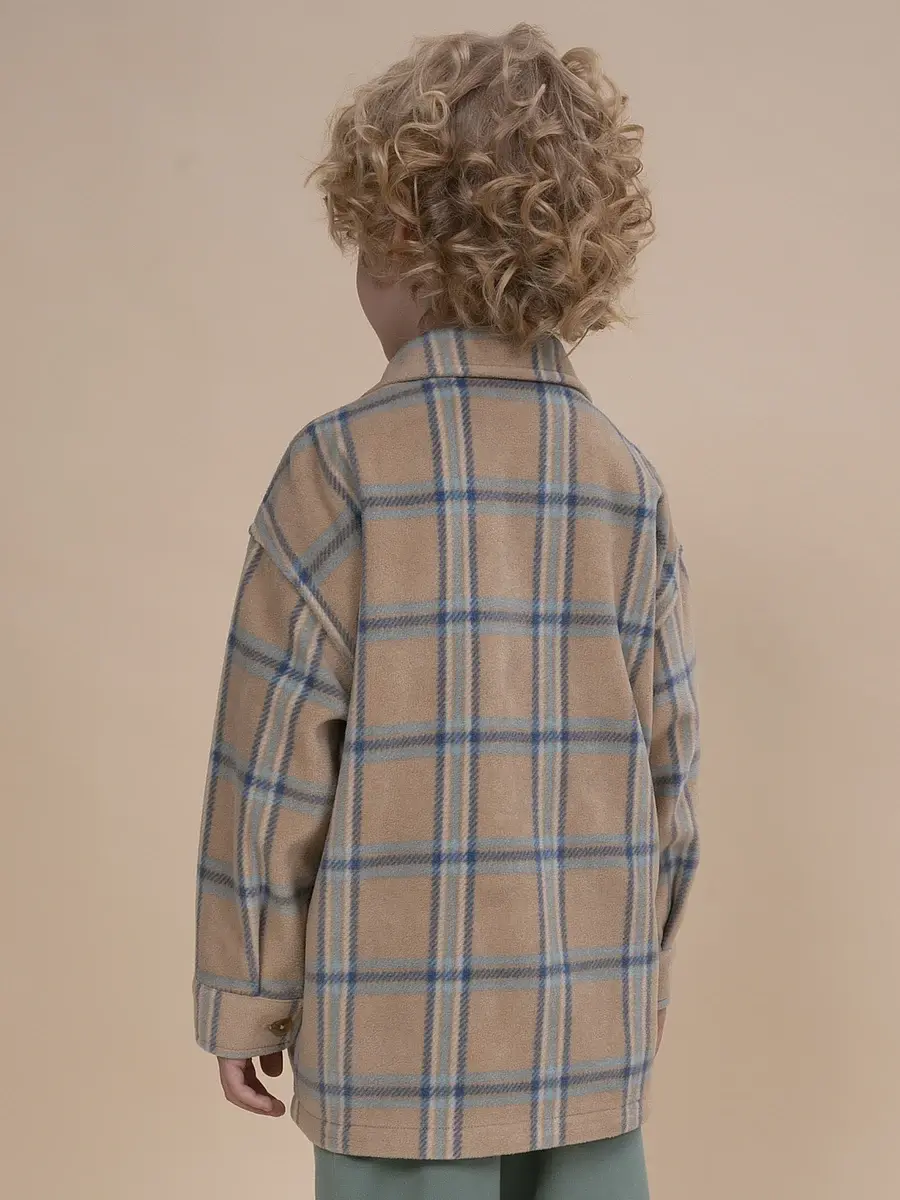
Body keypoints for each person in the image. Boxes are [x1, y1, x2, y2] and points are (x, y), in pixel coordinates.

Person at [193, 23, 700, 1200]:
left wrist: (247, 992)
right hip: (584, 1034)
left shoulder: (338, 470)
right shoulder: (626, 486)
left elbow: (268, 769)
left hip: (397, 1049)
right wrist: (645, 975)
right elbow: (671, 771)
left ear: (403, 244)